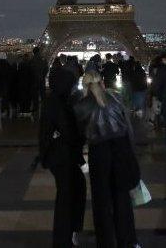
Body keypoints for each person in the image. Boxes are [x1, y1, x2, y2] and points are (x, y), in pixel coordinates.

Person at [74, 71, 141, 248]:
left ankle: (105, 242)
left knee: (101, 201)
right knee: (122, 199)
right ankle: (128, 241)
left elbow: (79, 135)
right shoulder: (117, 98)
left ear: (84, 86)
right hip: (121, 150)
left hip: (99, 153)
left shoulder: (81, 106)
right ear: (102, 82)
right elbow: (129, 128)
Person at [38, 66, 85, 247]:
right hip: (63, 157)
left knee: (70, 193)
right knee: (68, 197)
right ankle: (65, 237)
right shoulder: (60, 104)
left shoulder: (54, 101)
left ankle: (68, 234)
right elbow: (70, 132)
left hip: (58, 156)